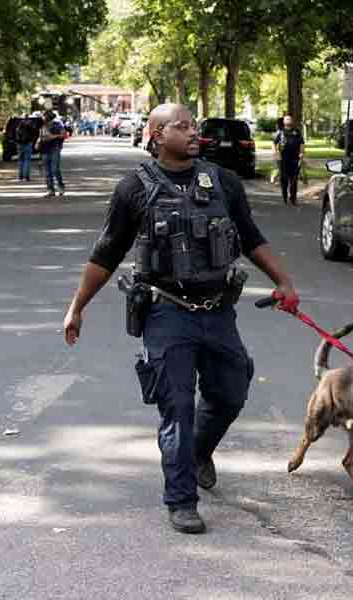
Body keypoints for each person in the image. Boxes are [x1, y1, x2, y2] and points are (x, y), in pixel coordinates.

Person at [61, 103, 299, 535]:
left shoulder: (222, 181)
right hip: (165, 311)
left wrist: (283, 279)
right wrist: (77, 306)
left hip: (217, 310)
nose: (193, 132)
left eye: (194, 125)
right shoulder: (134, 187)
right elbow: (107, 252)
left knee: (231, 391)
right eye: (182, 126)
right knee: (177, 408)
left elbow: (249, 236)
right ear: (155, 135)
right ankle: (181, 500)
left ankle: (197, 452)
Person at [272, 114, 305, 205]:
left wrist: (301, 153)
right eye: (286, 119)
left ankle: (293, 198)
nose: (288, 120)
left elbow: (301, 144)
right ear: (284, 122)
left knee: (294, 180)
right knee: (284, 179)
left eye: (290, 119)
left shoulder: (297, 132)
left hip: (294, 159)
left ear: (292, 121)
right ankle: (284, 196)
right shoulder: (280, 132)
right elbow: (274, 143)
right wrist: (276, 153)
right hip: (283, 159)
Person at [40, 110, 66, 197]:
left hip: (55, 148)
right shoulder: (42, 125)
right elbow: (41, 136)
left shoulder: (57, 125)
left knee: (55, 169)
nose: (44, 118)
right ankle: (50, 190)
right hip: (44, 149)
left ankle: (61, 186)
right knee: (47, 172)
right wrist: (38, 142)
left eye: (45, 116)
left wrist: (53, 136)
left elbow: (64, 135)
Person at [15, 116, 38, 182]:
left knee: (20, 160)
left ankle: (20, 176)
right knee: (27, 160)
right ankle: (26, 176)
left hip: (19, 144)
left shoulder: (19, 125)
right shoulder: (30, 124)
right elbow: (35, 132)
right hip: (28, 143)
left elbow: (16, 134)